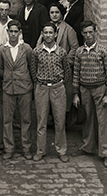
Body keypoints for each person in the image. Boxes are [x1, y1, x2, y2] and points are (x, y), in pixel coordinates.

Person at [72, 20, 107, 168]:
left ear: (95, 32)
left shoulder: (103, 52)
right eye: (85, 33)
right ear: (82, 34)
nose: (88, 35)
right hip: (84, 89)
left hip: (99, 89)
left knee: (102, 121)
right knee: (88, 119)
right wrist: (75, 93)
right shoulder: (79, 52)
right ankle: (88, 147)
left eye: (91, 32)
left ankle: (106, 153)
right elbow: (76, 73)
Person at [0, 20, 35, 160]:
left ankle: (26, 148)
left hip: (24, 88)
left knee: (26, 119)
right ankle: (9, 148)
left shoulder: (27, 49)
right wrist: (8, 76)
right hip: (8, 88)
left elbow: (31, 67)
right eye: (10, 31)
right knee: (7, 120)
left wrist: (23, 78)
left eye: (15, 32)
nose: (13, 34)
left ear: (19, 33)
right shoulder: (2, 49)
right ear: (7, 32)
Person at [31, 22, 70, 163]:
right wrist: (40, 82)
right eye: (45, 32)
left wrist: (58, 84)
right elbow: (33, 70)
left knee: (60, 121)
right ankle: (40, 150)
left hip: (57, 88)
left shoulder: (61, 52)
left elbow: (67, 72)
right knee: (41, 121)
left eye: (50, 32)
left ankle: (61, 150)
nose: (48, 35)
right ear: (42, 34)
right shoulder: (36, 51)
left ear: (55, 34)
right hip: (41, 87)